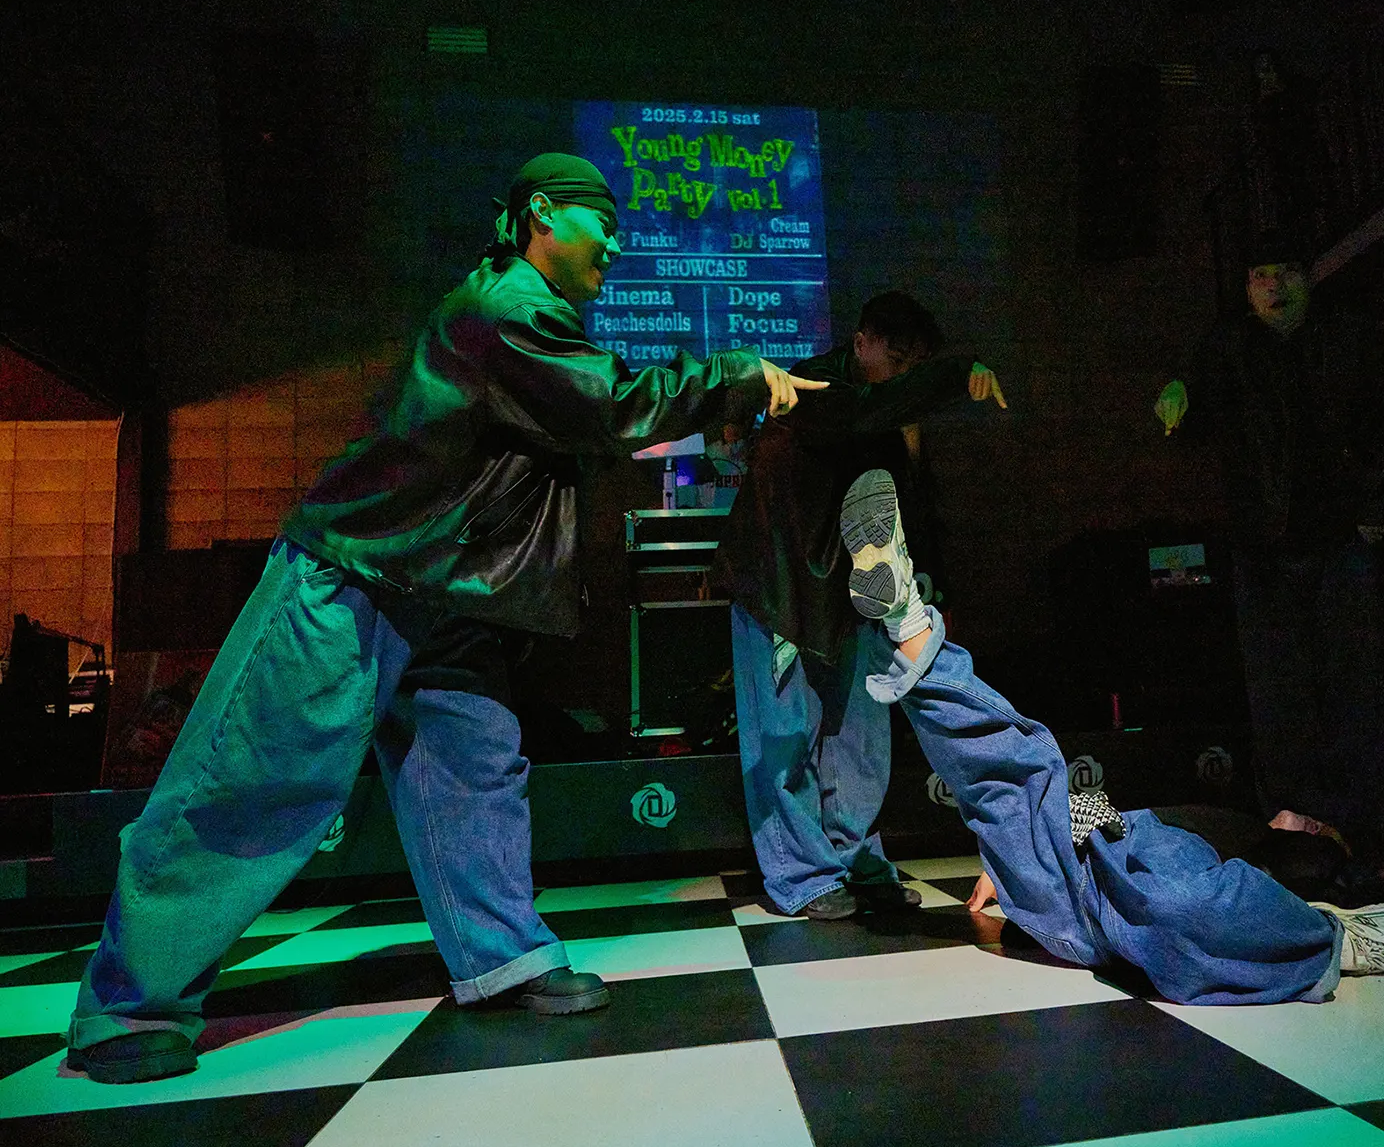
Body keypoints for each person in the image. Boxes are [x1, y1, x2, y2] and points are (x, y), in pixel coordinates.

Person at [65, 153, 822, 1084]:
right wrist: (740, 375)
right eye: (604, 222)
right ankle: (126, 1004)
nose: (617, 245)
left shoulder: (524, 317)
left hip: (449, 592)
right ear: (542, 214)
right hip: (358, 570)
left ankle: (500, 957)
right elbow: (612, 406)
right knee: (257, 778)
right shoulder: (506, 306)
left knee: (474, 770)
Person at [838, 469, 1384, 1005]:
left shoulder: (1282, 862)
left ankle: (1334, 941)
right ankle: (905, 614)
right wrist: (1038, 842)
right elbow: (1127, 820)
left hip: (1096, 915)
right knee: (1018, 783)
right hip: (1096, 868)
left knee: (1156, 894)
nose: (1303, 819)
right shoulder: (1236, 822)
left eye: (1317, 828)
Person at [710, 292, 1006, 918]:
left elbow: (903, 505)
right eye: (894, 361)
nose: (900, 376)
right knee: (785, 734)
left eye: (913, 366)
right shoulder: (815, 385)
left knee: (861, 738)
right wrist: (954, 375)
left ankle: (855, 857)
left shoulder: (890, 416)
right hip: (781, 583)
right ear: (862, 340)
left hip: (847, 593)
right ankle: (803, 876)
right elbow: (870, 409)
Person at [1155, 237, 1384, 853]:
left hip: (1337, 534)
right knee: (1277, 689)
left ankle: (1366, 822)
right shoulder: (1228, 347)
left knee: (1352, 682)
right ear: (1248, 287)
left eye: (1285, 272)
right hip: (1262, 545)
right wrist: (1178, 393)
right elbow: (1193, 410)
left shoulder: (1351, 339)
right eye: (1261, 275)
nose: (1274, 286)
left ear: (1308, 278)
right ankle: (1294, 819)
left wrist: (1377, 505)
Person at [970, 804, 1384, 941]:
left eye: (1317, 824)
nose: (1310, 824)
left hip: (1239, 870)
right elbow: (1109, 810)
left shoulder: (1289, 854)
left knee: (1351, 878)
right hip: (1210, 866)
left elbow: (1104, 811)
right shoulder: (1236, 832)